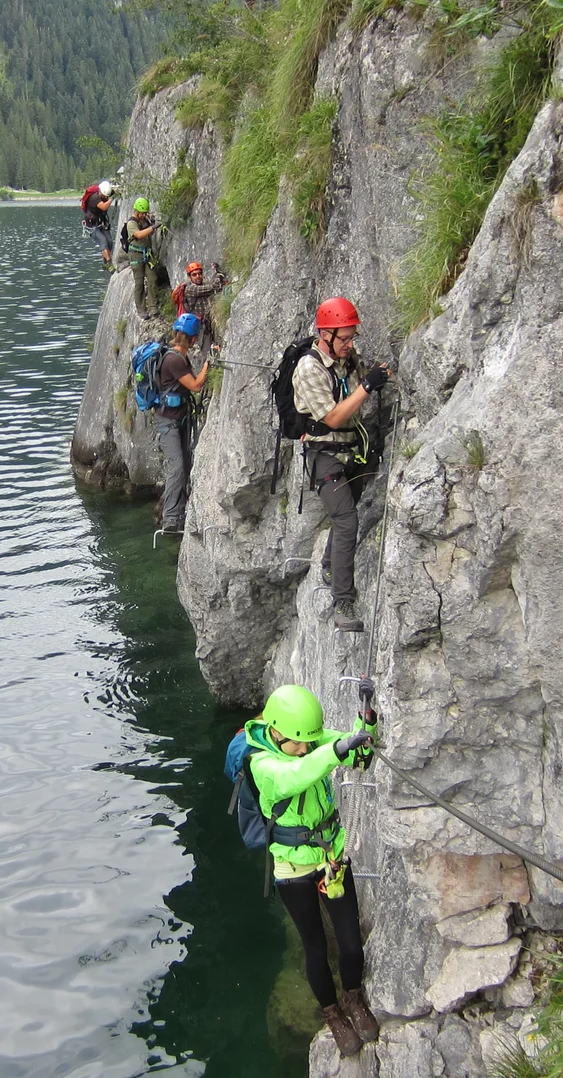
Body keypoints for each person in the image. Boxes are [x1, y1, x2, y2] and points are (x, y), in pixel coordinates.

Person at [246, 684, 380, 1057]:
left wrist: (364, 725)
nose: (305, 748)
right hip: (291, 867)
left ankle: (353, 998)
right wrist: (333, 751)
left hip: (330, 857)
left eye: (309, 741)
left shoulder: (310, 741)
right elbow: (299, 774)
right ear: (275, 732)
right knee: (316, 946)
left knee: (351, 942)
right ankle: (332, 1014)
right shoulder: (262, 765)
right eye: (297, 743)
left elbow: (353, 751)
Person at [293, 297, 390, 632]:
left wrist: (376, 376)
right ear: (326, 335)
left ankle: (330, 563)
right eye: (344, 338)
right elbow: (333, 417)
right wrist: (366, 387)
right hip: (324, 456)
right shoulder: (309, 369)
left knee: (345, 514)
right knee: (347, 520)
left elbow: (358, 389)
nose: (350, 344)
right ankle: (342, 602)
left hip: (354, 450)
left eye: (352, 338)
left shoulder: (347, 360)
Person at [156, 312, 210, 534]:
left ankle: (179, 511)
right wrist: (209, 363)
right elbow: (196, 385)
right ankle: (169, 518)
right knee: (177, 465)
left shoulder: (179, 357)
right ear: (192, 338)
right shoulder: (174, 360)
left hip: (179, 418)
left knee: (185, 463)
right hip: (167, 421)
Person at [177, 262, 228, 363]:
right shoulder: (191, 289)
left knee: (212, 346)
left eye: (199, 273)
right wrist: (218, 274)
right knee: (205, 349)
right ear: (189, 277)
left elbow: (215, 288)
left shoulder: (202, 284)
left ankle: (213, 364)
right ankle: (207, 368)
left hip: (206, 321)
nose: (198, 276)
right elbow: (212, 287)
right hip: (198, 326)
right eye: (194, 274)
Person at [121, 197, 160, 315]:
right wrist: (152, 227)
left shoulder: (145, 220)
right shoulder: (131, 223)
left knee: (152, 279)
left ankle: (153, 307)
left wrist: (152, 224)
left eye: (145, 213)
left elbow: (148, 232)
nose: (144, 215)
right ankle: (141, 309)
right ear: (137, 211)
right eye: (143, 213)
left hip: (147, 254)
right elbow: (138, 234)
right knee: (139, 282)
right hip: (135, 255)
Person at [83, 180, 116, 269]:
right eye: (105, 196)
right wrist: (112, 199)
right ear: (100, 191)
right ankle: (110, 264)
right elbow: (104, 207)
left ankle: (105, 261)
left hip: (101, 222)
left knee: (109, 241)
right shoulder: (95, 198)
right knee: (103, 241)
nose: (105, 197)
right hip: (91, 225)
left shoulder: (104, 194)